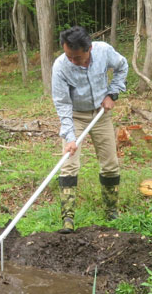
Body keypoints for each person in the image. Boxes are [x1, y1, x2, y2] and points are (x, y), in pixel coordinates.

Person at [51, 26, 129, 234]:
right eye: (69, 56)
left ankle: (111, 211)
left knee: (110, 164)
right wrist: (69, 136)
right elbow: (62, 103)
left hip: (100, 115)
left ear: (89, 49)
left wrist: (112, 94)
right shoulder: (60, 66)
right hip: (75, 116)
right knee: (69, 164)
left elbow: (122, 66)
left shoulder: (103, 51)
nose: (73, 61)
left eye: (77, 57)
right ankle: (67, 219)